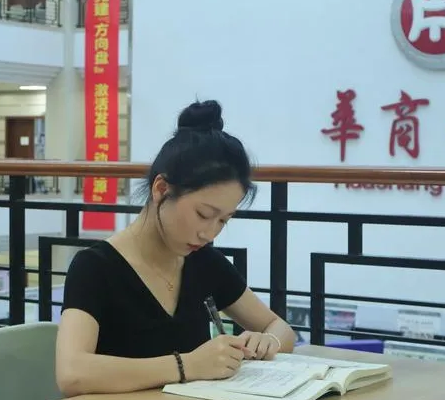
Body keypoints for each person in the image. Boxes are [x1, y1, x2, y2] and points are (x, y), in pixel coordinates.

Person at [55, 100, 297, 396]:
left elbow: (279, 327)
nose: (209, 233)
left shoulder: (204, 262)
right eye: (203, 214)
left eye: (223, 220)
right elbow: (72, 373)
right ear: (161, 189)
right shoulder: (95, 267)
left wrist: (269, 341)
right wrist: (187, 365)